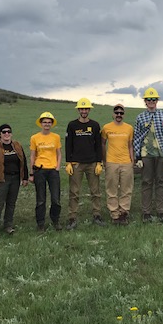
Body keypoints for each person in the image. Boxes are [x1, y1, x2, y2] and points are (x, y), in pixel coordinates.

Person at [133, 87, 163, 222]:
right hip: (146, 155)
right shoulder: (140, 117)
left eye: (153, 99)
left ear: (157, 101)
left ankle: (161, 211)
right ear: (145, 101)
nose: (151, 101)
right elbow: (137, 137)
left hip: (161, 154)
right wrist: (138, 156)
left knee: (161, 182)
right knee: (146, 182)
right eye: (148, 99)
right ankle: (146, 212)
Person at [65, 98, 105, 229]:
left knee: (95, 191)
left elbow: (98, 145)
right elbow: (68, 144)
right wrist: (68, 162)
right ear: (78, 110)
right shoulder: (72, 125)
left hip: (92, 163)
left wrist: (99, 162)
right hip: (76, 163)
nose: (84, 111)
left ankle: (97, 215)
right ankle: (72, 218)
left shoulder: (95, 125)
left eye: (86, 109)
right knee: (74, 192)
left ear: (89, 110)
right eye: (82, 109)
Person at [0, 124, 29, 239]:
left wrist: (25, 177)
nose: (7, 134)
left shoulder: (17, 146)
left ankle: (8, 225)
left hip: (15, 178)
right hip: (2, 179)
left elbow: (23, 161)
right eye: (4, 132)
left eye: (9, 132)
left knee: (11, 203)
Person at [101, 104, 134, 225]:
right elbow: (103, 144)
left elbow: (130, 145)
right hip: (111, 162)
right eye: (116, 112)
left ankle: (124, 212)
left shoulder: (129, 128)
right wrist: (104, 160)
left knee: (126, 188)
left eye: (121, 113)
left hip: (126, 162)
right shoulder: (106, 128)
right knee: (111, 188)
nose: (119, 115)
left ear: (124, 115)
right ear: (113, 114)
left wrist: (132, 160)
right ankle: (114, 214)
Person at [29, 112, 62, 231]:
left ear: (52, 124)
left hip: (53, 170)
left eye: (49, 122)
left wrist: (57, 167)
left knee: (56, 199)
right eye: (44, 122)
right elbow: (32, 156)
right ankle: (40, 223)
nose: (47, 124)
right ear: (41, 124)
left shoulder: (56, 137)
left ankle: (55, 220)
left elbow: (59, 154)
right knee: (41, 199)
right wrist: (32, 173)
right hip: (40, 170)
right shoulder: (34, 138)